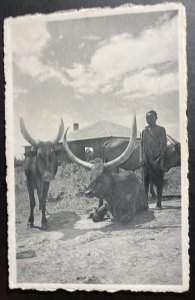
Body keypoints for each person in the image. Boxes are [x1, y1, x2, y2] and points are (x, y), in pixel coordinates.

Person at [141, 110, 167, 209]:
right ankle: (145, 204)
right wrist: (141, 158)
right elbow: (142, 146)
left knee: (159, 182)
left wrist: (160, 158)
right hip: (146, 161)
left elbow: (163, 144)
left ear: (156, 117)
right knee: (145, 182)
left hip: (157, 160)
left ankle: (159, 203)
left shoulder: (161, 130)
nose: (149, 120)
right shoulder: (144, 131)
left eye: (151, 117)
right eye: (147, 118)